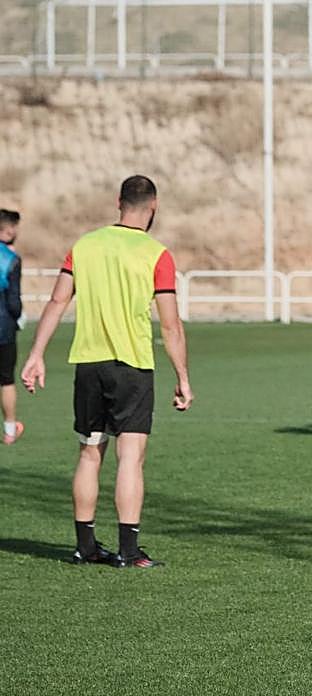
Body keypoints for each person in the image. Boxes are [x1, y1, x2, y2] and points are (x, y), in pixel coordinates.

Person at [20, 176, 193, 568]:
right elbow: (170, 325)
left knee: (89, 453)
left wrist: (36, 355)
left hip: (89, 365)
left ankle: (85, 547)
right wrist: (182, 377)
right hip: (132, 366)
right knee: (130, 457)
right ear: (154, 207)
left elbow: (57, 300)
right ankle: (128, 552)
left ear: (119, 202)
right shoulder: (156, 254)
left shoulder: (84, 246)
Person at [0, 209, 24, 445]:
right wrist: (19, 316)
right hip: (3, 330)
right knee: (6, 380)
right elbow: (14, 302)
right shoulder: (11, 259)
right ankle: (9, 430)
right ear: (7, 230)